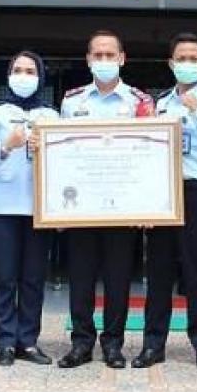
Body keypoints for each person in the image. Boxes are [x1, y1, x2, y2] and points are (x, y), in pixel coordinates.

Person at [57, 30, 155, 370]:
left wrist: (146, 204)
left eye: (109, 55)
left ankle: (113, 343)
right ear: (88, 60)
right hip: (82, 207)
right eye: (97, 55)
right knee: (80, 277)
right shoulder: (72, 102)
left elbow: (148, 155)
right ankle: (81, 342)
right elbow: (61, 153)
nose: (103, 60)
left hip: (122, 206)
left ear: (122, 58)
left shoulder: (140, 102)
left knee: (118, 277)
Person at [137, 33, 197, 371]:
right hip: (162, 193)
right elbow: (144, 153)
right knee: (158, 271)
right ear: (171, 63)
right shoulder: (158, 104)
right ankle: (153, 344)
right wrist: (145, 201)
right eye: (181, 58)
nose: (187, 64)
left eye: (194, 59)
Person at [0, 51, 58, 367]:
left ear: (40, 77)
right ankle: (5, 342)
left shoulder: (50, 116)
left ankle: (28, 341)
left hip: (39, 208)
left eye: (30, 71)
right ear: (8, 75)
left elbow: (65, 159)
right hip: (0, 207)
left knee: (33, 278)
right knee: (4, 276)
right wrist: (6, 146)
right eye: (18, 70)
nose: (24, 77)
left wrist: (45, 148)